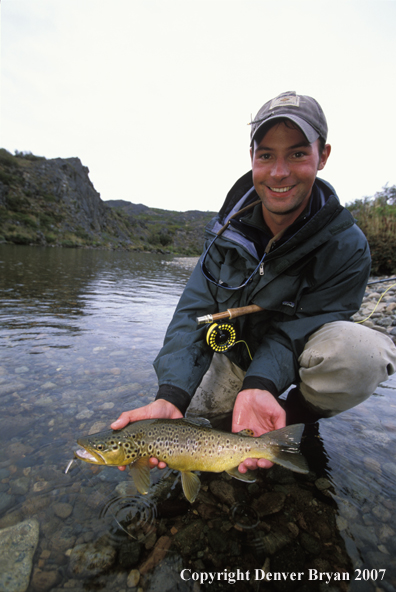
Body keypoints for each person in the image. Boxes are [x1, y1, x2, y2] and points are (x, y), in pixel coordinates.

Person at [112, 91, 396, 474]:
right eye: (266, 155)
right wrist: (171, 395)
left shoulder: (347, 247)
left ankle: (292, 418)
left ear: (323, 156)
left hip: (296, 363)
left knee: (364, 352)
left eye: (297, 153)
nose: (279, 172)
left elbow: (301, 328)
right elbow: (193, 313)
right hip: (233, 359)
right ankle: (257, 419)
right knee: (189, 427)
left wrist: (262, 385)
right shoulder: (227, 230)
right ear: (252, 158)